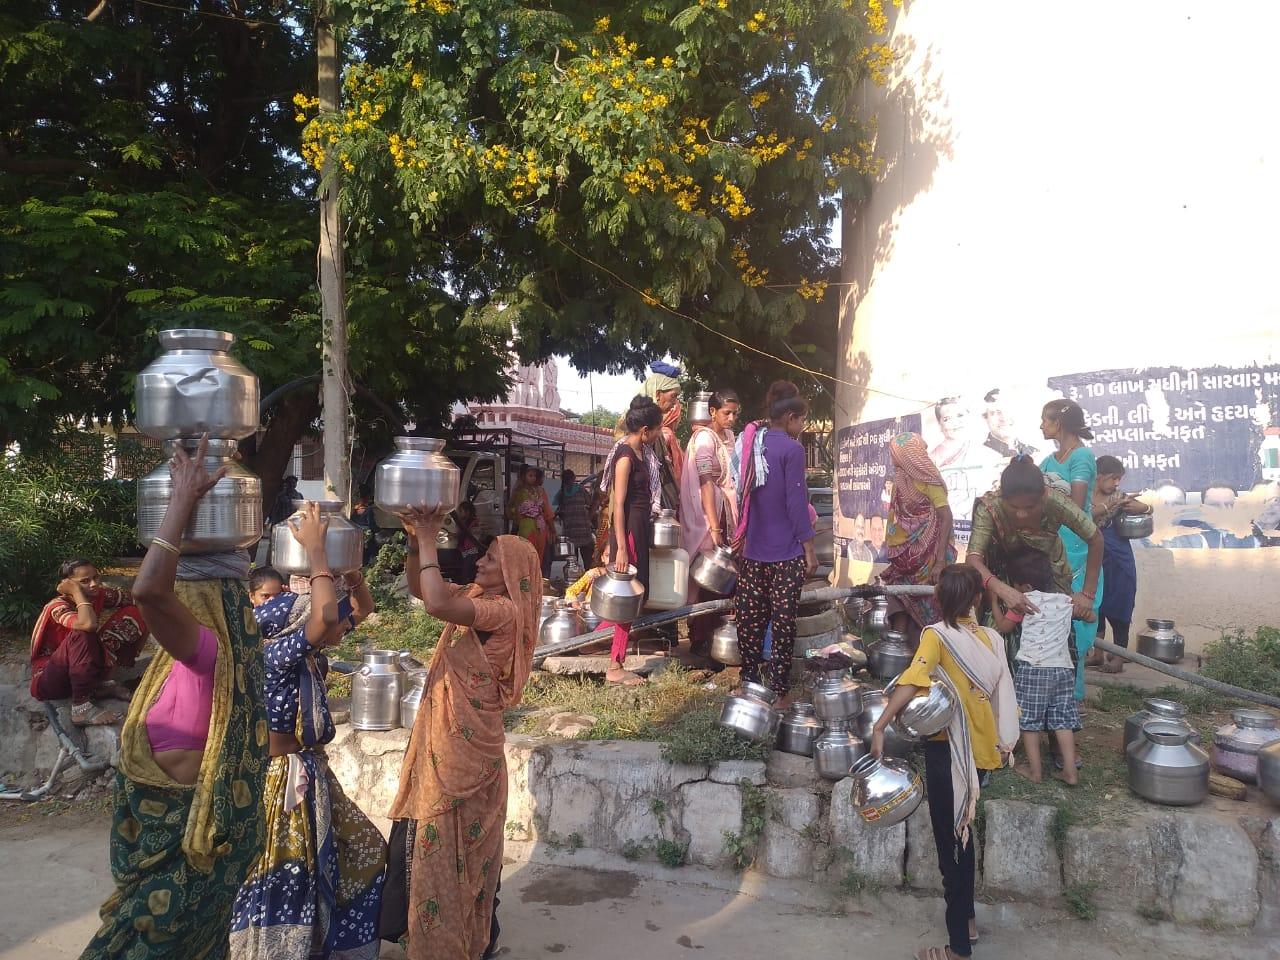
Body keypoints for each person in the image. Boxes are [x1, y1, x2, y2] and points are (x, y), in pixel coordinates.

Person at [81, 435, 268, 959]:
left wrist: (182, 500)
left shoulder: (204, 647)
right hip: (167, 835)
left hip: (182, 840)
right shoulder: (201, 652)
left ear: (196, 596)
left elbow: (148, 591)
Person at [386, 507, 542, 960]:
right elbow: (423, 589)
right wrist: (417, 543)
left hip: (466, 750)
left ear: (510, 572)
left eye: (490, 559)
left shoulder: (502, 611)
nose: (480, 563)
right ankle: (458, 934)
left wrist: (434, 537)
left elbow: (437, 604)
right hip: (451, 738)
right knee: (445, 844)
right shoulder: (477, 594)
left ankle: (454, 943)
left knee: (458, 842)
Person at [230, 504, 384, 960]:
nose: (333, 626)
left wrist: (350, 572)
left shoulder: (305, 654)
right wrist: (317, 552)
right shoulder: (274, 655)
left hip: (310, 772)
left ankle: (325, 945)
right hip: (279, 784)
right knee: (286, 876)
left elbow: (361, 608)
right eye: (321, 621)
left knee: (359, 852)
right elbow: (322, 618)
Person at [870, 564, 1018, 960]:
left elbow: (911, 681)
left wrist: (881, 725)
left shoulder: (936, 636)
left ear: (938, 600)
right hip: (983, 754)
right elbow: (1004, 695)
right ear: (974, 599)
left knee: (952, 843)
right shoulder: (990, 640)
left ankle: (957, 949)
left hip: (949, 752)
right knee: (963, 834)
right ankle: (966, 922)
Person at [966, 456, 1103, 704]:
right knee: (997, 637)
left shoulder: (1055, 502)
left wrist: (1087, 595)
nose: (1020, 513)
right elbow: (973, 559)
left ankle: (1055, 714)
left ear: (1043, 497)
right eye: (1013, 507)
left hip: (1047, 572)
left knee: (1057, 636)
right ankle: (1004, 708)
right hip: (1004, 575)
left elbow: (1095, 538)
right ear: (1002, 498)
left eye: (1029, 507)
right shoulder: (990, 508)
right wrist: (1002, 590)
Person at [732, 381, 816, 705]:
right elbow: (796, 504)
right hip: (786, 553)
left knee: (750, 621)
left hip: (752, 551)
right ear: (791, 417)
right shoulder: (793, 450)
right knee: (782, 622)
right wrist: (809, 548)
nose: (803, 427)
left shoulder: (750, 443)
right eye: (802, 420)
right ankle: (780, 691)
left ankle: (748, 682)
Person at [987, 548, 1079, 785]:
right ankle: (1070, 771)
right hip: (1063, 669)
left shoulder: (1023, 603)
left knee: (1029, 722)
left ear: (1025, 586)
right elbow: (1087, 615)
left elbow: (1003, 627)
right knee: (1062, 719)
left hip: (1034, 669)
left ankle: (1035, 771)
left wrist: (995, 601)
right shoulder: (1065, 600)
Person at [29, 559, 147, 725]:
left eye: (96, 578)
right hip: (52, 680)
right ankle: (81, 708)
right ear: (67, 585)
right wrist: (77, 592)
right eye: (84, 581)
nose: (93, 584)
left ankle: (104, 684)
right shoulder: (58, 606)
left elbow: (141, 600)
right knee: (84, 632)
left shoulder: (98, 595)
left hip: (85, 670)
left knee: (135, 612)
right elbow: (87, 624)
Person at [1039, 399, 1105, 689]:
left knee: (1075, 622)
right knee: (1049, 623)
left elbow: (1076, 507)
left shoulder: (1082, 457)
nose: (1041, 425)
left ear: (1059, 424)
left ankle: (1071, 697)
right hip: (1050, 546)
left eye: (1045, 420)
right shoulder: (1048, 461)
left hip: (1077, 548)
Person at [599, 396, 664, 685]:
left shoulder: (642, 454)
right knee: (626, 599)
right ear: (646, 430)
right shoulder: (625, 457)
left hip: (639, 529)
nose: (661, 434)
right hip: (627, 535)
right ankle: (615, 665)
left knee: (635, 596)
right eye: (659, 429)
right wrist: (621, 548)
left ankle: (597, 642)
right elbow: (617, 505)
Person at [680, 388, 740, 661]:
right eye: (726, 413)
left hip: (725, 514)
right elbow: (706, 483)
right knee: (707, 580)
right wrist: (714, 528)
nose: (731, 418)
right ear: (712, 412)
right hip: (708, 519)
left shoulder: (728, 438)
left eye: (735, 413)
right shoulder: (704, 439)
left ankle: (721, 637)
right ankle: (700, 640)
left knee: (725, 580)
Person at [879, 433, 955, 643]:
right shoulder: (900, 479)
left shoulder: (929, 480)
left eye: (894, 452)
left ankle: (928, 656)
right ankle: (899, 655)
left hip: (929, 558)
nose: (892, 457)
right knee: (901, 599)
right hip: (904, 560)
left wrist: (940, 562)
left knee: (929, 607)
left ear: (906, 455)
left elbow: (946, 516)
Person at [1091, 456, 1150, 672]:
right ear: (1098, 477)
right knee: (1095, 606)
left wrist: (1147, 508)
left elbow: (1142, 506)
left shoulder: (1119, 496)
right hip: (1093, 558)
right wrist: (1110, 505)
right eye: (1112, 478)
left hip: (1118, 558)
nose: (1116, 483)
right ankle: (1096, 654)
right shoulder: (1084, 496)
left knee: (1120, 606)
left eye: (1118, 479)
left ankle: (1117, 658)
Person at [642, 362, 684, 510]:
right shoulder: (640, 429)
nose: (674, 404)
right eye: (673, 397)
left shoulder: (657, 430)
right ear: (658, 394)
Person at [506, 465, 555, 566]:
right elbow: (510, 510)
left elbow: (547, 511)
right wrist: (520, 513)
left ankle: (537, 579)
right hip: (526, 527)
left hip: (541, 529)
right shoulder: (518, 492)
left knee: (539, 557)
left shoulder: (541, 491)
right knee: (527, 556)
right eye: (530, 475)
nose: (533, 478)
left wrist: (552, 528)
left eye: (535, 476)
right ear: (523, 476)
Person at [554, 470, 594, 566]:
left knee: (572, 562)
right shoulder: (580, 489)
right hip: (584, 529)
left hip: (570, 531)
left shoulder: (561, 492)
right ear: (574, 478)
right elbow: (589, 502)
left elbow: (557, 509)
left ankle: (574, 578)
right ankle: (588, 577)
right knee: (588, 559)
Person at [981, 389, 1034, 459]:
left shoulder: (1033, 452)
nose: (1004, 418)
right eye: (996, 412)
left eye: (1009, 411)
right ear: (985, 418)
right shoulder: (979, 455)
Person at [455, 500, 485, 583]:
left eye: (461, 511)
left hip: (471, 551)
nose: (459, 513)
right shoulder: (464, 523)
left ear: (467, 511)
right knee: (466, 569)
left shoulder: (474, 523)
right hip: (465, 550)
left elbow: (474, 534)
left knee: (468, 571)